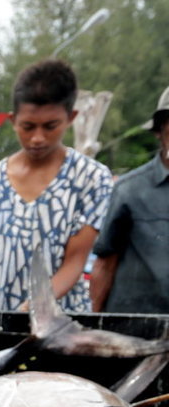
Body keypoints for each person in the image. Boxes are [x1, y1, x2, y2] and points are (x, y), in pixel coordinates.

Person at [0, 59, 112, 312]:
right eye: (28, 127)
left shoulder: (91, 178)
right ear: (13, 120)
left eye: (50, 126)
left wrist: (30, 311)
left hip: (64, 326)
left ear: (71, 117)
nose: (37, 138)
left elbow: (75, 262)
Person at [90, 86, 169, 313]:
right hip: (134, 330)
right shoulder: (129, 190)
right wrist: (94, 326)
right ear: (159, 131)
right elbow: (105, 264)